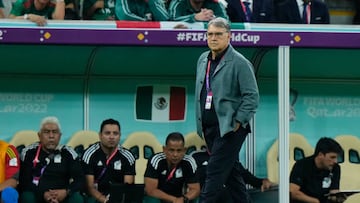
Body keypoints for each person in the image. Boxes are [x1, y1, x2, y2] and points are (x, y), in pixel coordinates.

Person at [195, 17, 259, 203]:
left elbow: (252, 96)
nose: (213, 38)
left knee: (214, 171)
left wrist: (238, 122)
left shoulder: (240, 62)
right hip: (209, 128)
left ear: (229, 36)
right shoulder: (202, 59)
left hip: (229, 129)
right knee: (232, 175)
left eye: (218, 34)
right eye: (210, 34)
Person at [19, 116, 85, 203]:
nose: (51, 136)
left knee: (77, 199)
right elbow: (24, 181)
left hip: (63, 195)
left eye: (55, 132)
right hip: (37, 194)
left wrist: (66, 192)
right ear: (39, 135)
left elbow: (80, 179)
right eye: (46, 132)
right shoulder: (29, 152)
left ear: (60, 136)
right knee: (27, 197)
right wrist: (43, 194)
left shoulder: (68, 153)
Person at [81, 118, 136, 203]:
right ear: (100, 135)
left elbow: (127, 187)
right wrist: (105, 200)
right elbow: (89, 187)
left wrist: (116, 199)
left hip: (118, 197)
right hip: (95, 196)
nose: (111, 137)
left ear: (120, 136)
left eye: (115, 133)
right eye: (107, 133)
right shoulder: (89, 154)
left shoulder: (128, 156)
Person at [144, 132, 200, 203]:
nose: (175, 155)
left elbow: (195, 189)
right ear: (164, 149)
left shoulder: (189, 162)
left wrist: (184, 199)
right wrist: (174, 200)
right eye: (171, 150)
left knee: (196, 198)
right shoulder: (156, 160)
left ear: (184, 150)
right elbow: (150, 190)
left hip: (180, 198)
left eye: (179, 150)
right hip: (159, 198)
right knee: (152, 199)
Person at [290, 137, 344, 203]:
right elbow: (292, 192)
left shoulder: (335, 168)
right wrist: (315, 201)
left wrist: (338, 198)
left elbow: (333, 192)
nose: (335, 161)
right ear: (320, 155)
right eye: (332, 157)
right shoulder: (302, 165)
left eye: (336, 158)